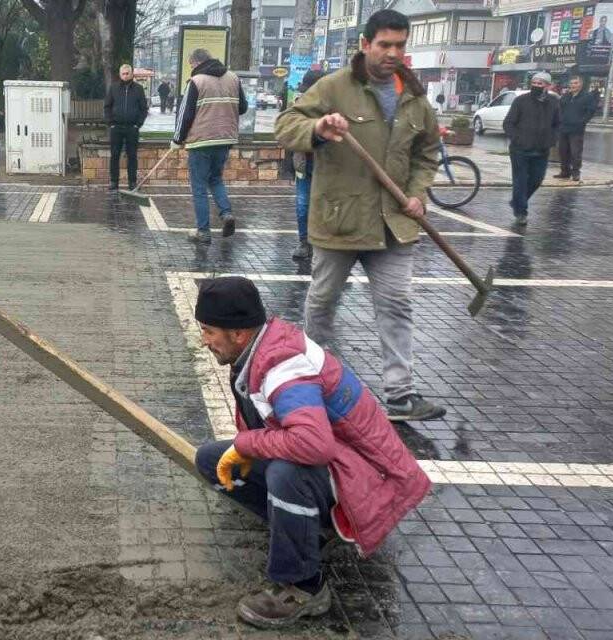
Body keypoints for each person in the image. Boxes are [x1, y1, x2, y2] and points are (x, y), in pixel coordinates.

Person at [191, 276, 430, 629]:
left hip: (368, 477)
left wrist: (246, 444)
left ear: (238, 333)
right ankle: (312, 530)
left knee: (286, 474)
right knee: (210, 460)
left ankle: (304, 586)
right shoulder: (257, 350)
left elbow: (313, 445)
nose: (205, 340)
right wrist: (247, 445)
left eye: (210, 331)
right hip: (341, 464)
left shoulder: (283, 366)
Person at [274, 9, 447, 422]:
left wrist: (419, 193)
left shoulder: (416, 99)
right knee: (322, 304)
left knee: (397, 305)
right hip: (341, 220)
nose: (392, 53)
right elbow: (285, 125)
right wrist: (317, 128)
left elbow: (426, 155)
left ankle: (401, 394)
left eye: (400, 46)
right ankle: (313, 381)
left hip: (395, 223)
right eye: (384, 44)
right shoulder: (335, 87)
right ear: (365, 44)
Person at [174, 48, 249, 244]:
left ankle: (203, 231)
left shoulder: (196, 82)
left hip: (201, 141)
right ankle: (226, 213)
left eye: (191, 65)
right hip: (225, 139)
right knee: (215, 179)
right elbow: (243, 107)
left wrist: (176, 139)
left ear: (197, 63)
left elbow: (185, 115)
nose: (191, 68)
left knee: (199, 186)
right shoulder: (233, 78)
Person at [503, 71, 560, 226]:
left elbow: (557, 124)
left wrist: (552, 139)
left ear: (548, 86)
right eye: (534, 83)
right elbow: (508, 123)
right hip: (520, 150)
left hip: (541, 150)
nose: (536, 86)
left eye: (540, 84)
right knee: (520, 181)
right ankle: (521, 212)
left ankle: (517, 202)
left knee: (537, 179)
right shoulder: (521, 101)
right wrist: (517, 138)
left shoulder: (553, 102)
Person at [290, 69, 321, 261]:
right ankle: (304, 243)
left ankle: (329, 248)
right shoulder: (299, 106)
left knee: (328, 207)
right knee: (303, 205)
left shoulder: (337, 107)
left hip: (329, 168)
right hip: (304, 164)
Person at [104, 64, 149, 191]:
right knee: (114, 155)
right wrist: (110, 123)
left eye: (127, 73)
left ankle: (132, 182)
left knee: (132, 156)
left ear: (132, 74)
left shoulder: (138, 89)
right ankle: (113, 182)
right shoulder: (113, 88)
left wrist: (138, 124)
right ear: (120, 74)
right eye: (123, 73)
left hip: (132, 128)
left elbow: (143, 109)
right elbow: (107, 106)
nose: (125, 76)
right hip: (116, 127)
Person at [555, 76, 597, 181]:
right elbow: (559, 108)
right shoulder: (566, 96)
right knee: (563, 151)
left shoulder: (587, 96)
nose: (573, 85)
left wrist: (582, 122)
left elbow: (591, 111)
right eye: (572, 83)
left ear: (581, 84)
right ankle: (564, 172)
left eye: (576, 83)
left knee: (575, 152)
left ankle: (575, 172)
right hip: (564, 128)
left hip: (577, 129)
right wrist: (560, 120)